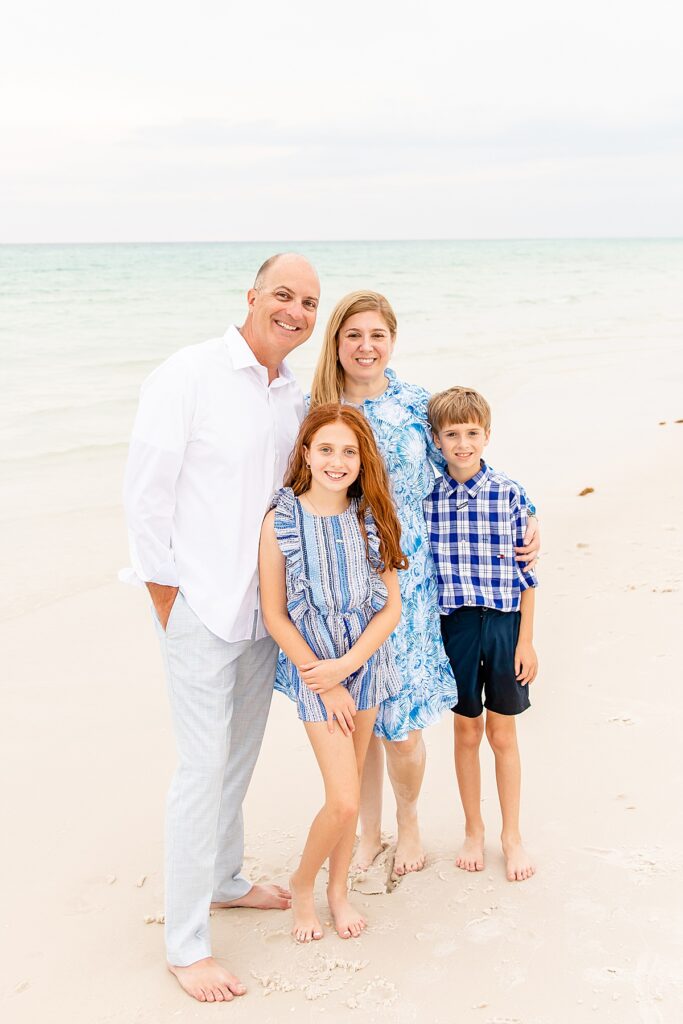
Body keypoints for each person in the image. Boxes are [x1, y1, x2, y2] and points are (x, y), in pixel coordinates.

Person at [121, 253, 320, 1003]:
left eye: (307, 302)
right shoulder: (189, 374)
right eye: (282, 294)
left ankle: (226, 878)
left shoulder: (291, 396)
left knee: (238, 758)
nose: (294, 311)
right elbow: (145, 492)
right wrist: (167, 596)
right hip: (199, 607)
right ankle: (185, 944)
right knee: (201, 770)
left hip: (262, 612)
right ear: (251, 295)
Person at [308, 292, 541, 876]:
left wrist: (528, 514)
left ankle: (408, 825)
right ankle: (367, 833)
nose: (365, 346)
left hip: (411, 586)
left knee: (401, 723)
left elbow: (467, 468)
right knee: (352, 717)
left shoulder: (417, 406)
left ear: (392, 339)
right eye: (353, 334)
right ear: (336, 341)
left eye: (376, 334)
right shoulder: (317, 406)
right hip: (341, 584)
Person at [259, 404, 407, 942]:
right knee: (344, 798)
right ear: (306, 453)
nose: (336, 461)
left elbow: (390, 608)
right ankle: (303, 884)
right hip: (317, 672)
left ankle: (337, 892)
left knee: (350, 793)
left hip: (364, 666)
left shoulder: (371, 516)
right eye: (325, 449)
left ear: (361, 458)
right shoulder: (282, 520)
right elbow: (275, 614)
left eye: (348, 451)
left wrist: (352, 665)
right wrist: (328, 675)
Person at [424, 386, 538, 881]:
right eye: (452, 434)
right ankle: (474, 828)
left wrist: (526, 639)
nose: (463, 443)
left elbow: (528, 574)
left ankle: (511, 835)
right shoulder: (426, 501)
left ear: (487, 436)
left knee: (502, 732)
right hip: (457, 626)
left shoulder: (509, 494)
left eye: (472, 433)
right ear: (437, 440)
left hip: (504, 623)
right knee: (466, 729)